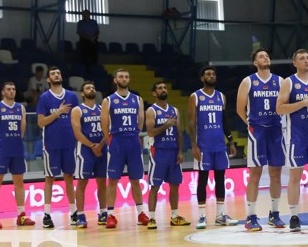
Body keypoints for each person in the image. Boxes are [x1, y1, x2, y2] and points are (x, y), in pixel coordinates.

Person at [276, 49, 308, 232]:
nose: (306, 60)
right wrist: (302, 103)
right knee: (295, 177)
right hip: (296, 137)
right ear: (295, 63)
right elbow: (279, 109)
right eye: (302, 58)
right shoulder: (289, 82)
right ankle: (294, 216)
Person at [236, 49, 286, 231]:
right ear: (255, 62)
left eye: (267, 55)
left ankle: (274, 214)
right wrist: (249, 123)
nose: (266, 57)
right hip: (257, 131)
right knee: (255, 174)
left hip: (275, 130)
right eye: (261, 56)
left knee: (276, 174)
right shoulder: (248, 81)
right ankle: (251, 216)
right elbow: (239, 108)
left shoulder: (280, 81)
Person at [188, 66, 238, 229]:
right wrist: (194, 145)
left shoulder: (221, 96)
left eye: (213, 74)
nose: (211, 76)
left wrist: (230, 141)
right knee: (202, 180)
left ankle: (220, 215)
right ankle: (202, 216)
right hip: (203, 146)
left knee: (220, 179)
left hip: (219, 145)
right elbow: (191, 122)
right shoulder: (195, 96)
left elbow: (224, 120)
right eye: (208, 74)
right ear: (202, 78)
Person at [100, 69, 146, 229]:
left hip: (133, 141)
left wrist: (135, 133)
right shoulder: (108, 100)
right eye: (120, 76)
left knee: (135, 180)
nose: (124, 79)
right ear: (115, 80)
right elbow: (104, 123)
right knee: (112, 180)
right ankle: (110, 214)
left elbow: (141, 120)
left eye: (126, 76)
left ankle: (141, 213)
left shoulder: (137, 99)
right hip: (117, 142)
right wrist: (109, 140)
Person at [36, 66, 80, 229]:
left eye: (58, 73)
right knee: (50, 179)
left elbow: (77, 120)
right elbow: (41, 123)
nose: (56, 75)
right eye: (53, 74)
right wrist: (58, 112)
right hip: (51, 144)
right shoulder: (44, 98)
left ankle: (74, 212)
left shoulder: (71, 96)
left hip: (69, 144)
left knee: (69, 178)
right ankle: (47, 215)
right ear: (48, 79)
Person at [0, 82, 32, 229]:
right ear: (3, 92)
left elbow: (21, 131)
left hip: (17, 150)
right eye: (9, 89)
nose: (12, 91)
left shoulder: (21, 108)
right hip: (2, 151)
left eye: (14, 89)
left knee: (19, 182)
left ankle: (21, 215)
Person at [145, 81, 187, 229]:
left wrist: (181, 151)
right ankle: (151, 218)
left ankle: (174, 216)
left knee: (175, 186)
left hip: (174, 151)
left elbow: (179, 133)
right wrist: (166, 125)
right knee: (155, 187)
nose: (163, 89)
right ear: (154, 93)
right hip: (159, 152)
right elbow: (150, 132)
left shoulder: (174, 110)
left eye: (164, 87)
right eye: (159, 88)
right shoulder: (151, 111)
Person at [71, 80, 106, 229]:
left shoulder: (102, 109)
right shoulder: (77, 110)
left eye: (93, 87)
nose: (91, 89)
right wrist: (92, 146)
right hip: (85, 151)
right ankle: (80, 214)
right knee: (82, 183)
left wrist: (101, 145)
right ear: (82, 93)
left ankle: (103, 212)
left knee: (102, 182)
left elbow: (107, 130)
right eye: (88, 87)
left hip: (102, 149)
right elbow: (77, 133)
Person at [76, 9, 100, 74]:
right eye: (84, 14)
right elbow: (80, 33)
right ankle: (86, 71)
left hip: (94, 40)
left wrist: (93, 38)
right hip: (84, 41)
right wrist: (90, 39)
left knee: (94, 56)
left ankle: (94, 70)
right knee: (84, 56)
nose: (85, 15)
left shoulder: (94, 22)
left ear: (89, 14)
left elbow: (97, 31)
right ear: (82, 15)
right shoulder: (80, 23)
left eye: (87, 14)